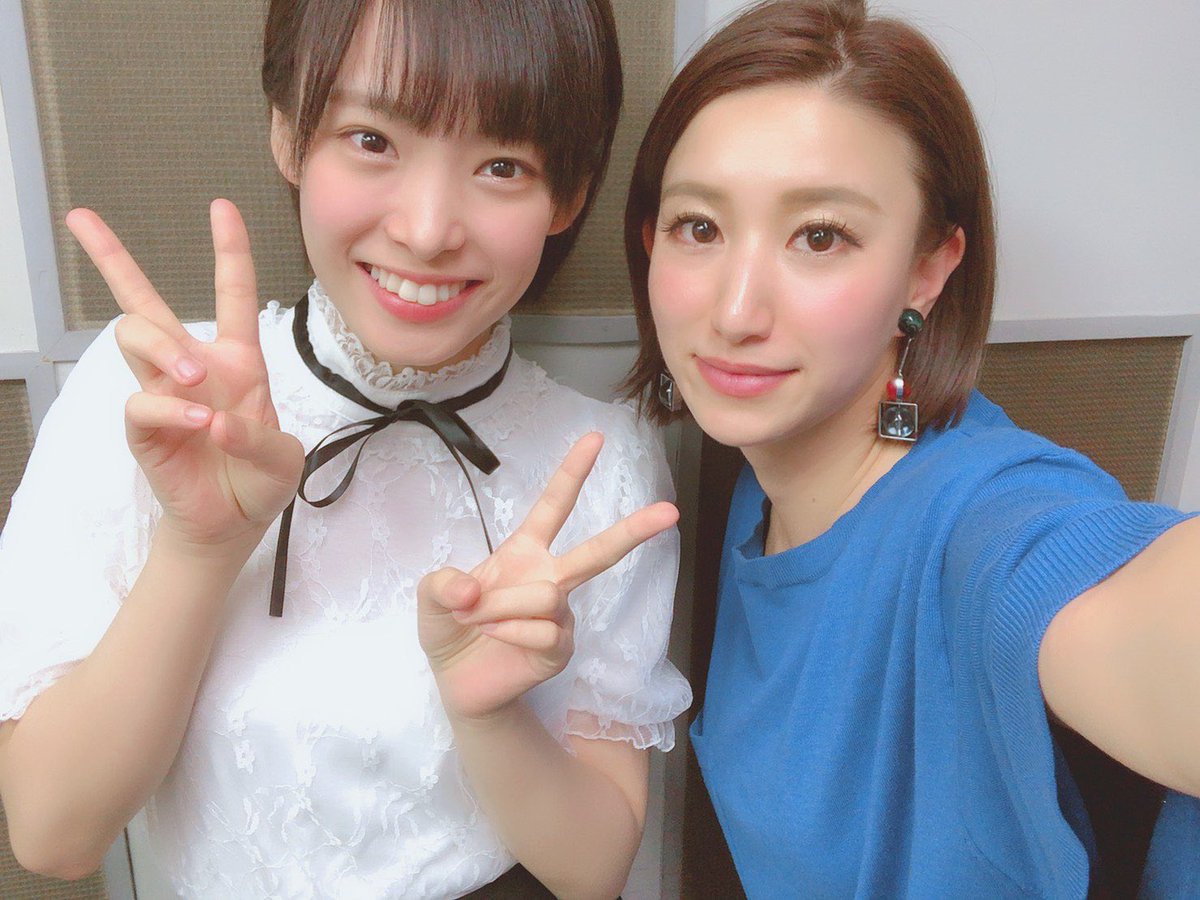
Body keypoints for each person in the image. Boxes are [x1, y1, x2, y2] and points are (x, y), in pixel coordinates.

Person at [0, 1, 691, 897]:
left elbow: (594, 871)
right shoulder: (149, 398)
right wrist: (200, 545)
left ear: (569, 192)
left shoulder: (602, 460)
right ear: (289, 135)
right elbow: (52, 835)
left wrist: (489, 716)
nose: (428, 229)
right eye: (372, 140)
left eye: (501, 164)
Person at [623, 0, 1200, 896]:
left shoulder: (983, 525)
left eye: (820, 236)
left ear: (927, 270)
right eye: (699, 227)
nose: (734, 312)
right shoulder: (764, 483)